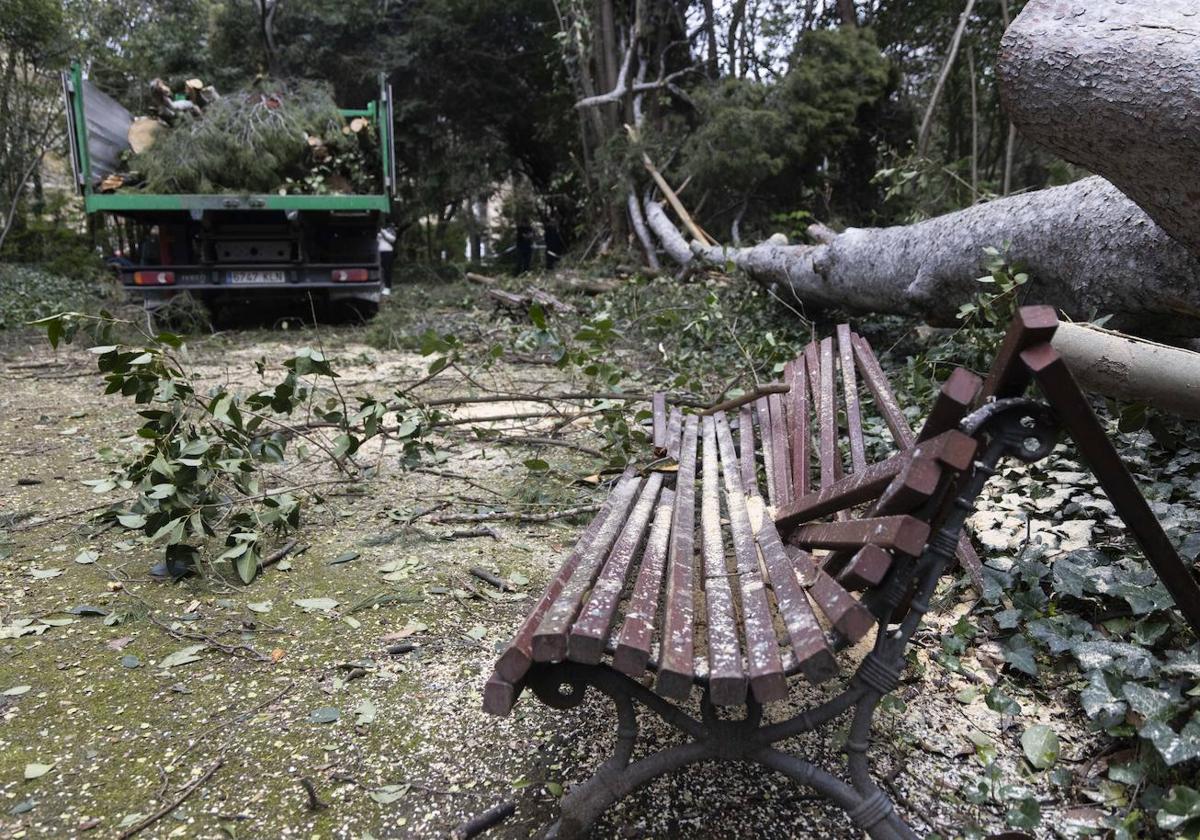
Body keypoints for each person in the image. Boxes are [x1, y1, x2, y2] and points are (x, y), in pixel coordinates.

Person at [377, 226, 396, 295]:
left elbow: (393, 239)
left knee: (387, 269)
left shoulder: (390, 230)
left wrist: (384, 232)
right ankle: (382, 286)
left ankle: (388, 287)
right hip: (379, 252)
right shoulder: (378, 231)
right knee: (380, 270)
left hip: (388, 252)